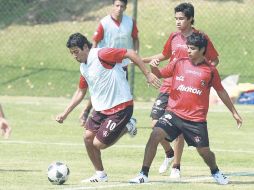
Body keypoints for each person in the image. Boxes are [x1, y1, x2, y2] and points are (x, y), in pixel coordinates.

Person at [129, 32, 243, 185]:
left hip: (195, 120)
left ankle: (215, 171)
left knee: (204, 152)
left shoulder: (210, 71)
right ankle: (143, 174)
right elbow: (161, 74)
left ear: (202, 50)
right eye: (188, 47)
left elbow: (221, 91)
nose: (188, 51)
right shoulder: (179, 63)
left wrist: (234, 113)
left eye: (192, 48)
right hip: (174, 114)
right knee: (155, 135)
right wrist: (153, 67)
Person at [56, 33, 160, 183]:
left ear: (85, 47)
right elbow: (81, 91)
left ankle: (128, 125)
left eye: (76, 51)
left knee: (98, 144)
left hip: (120, 107)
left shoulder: (102, 54)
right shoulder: (83, 67)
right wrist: (65, 113)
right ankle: (100, 175)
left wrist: (148, 74)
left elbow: (131, 53)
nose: (74, 56)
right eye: (71, 53)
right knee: (87, 138)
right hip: (100, 110)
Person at [142, 2, 219, 178]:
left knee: (181, 129)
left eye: (181, 18)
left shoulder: (201, 38)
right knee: (155, 124)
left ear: (191, 18)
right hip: (169, 84)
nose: (177, 22)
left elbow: (214, 60)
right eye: (176, 18)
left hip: (187, 89)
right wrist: (142, 60)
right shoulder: (173, 36)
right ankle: (169, 153)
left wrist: (203, 76)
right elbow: (164, 56)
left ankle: (176, 166)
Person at [80, 0, 139, 126]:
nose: (119, 8)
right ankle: (86, 111)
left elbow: (135, 39)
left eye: (122, 6)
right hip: (104, 64)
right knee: (100, 90)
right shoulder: (104, 23)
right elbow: (95, 42)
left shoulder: (130, 22)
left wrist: (136, 54)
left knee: (122, 91)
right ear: (113, 6)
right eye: (117, 5)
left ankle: (125, 120)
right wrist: (92, 58)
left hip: (121, 64)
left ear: (125, 7)